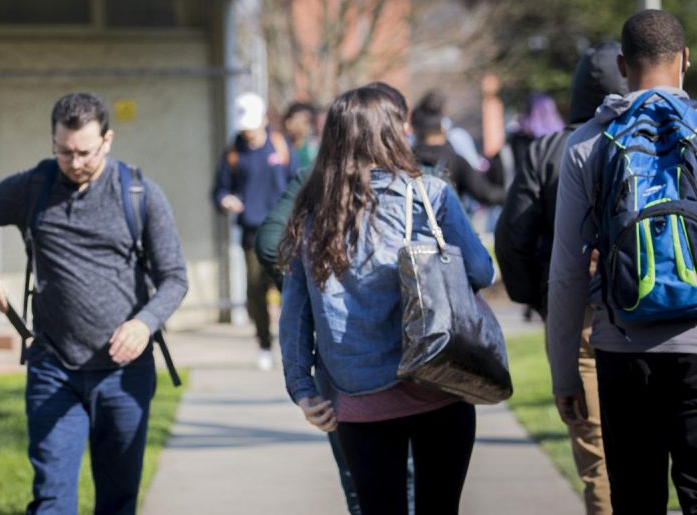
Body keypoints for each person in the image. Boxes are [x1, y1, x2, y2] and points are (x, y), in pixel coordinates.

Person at [0, 92, 188, 515]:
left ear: (107, 140)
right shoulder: (33, 188)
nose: (75, 163)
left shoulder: (139, 193)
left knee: (117, 501)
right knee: (51, 501)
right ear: (53, 142)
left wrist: (144, 323)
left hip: (124, 375)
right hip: (52, 369)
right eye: (64, 152)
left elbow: (174, 279)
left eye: (85, 152)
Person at [279, 85, 495, 514]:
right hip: (439, 383)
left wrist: (303, 390)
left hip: (359, 399)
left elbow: (295, 316)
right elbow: (481, 271)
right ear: (392, 132)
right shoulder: (430, 195)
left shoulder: (313, 214)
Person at [548, 10, 697, 512]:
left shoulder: (587, 143)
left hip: (621, 350)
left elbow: (567, 272)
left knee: (635, 498)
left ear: (621, 64)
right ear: (685, 59)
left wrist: (565, 373)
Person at [495, 41, 625, 515]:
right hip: (660, 310)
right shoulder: (656, 134)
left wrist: (538, 299)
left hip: (578, 313)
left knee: (599, 460)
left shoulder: (548, 149)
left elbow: (513, 237)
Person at [213, 91, 298, 370]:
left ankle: (295, 344)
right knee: (256, 290)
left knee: (291, 289)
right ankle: (264, 343)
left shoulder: (280, 146)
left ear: (263, 120)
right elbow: (219, 189)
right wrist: (226, 200)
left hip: (285, 233)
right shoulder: (234, 153)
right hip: (252, 234)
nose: (249, 134)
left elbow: (298, 185)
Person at [411, 104, 506, 207]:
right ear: (442, 130)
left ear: (415, 131)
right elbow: (485, 193)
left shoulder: (405, 160)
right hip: (448, 220)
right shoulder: (455, 159)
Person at [282, 101, 319, 170]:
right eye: (305, 122)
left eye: (309, 122)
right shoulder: (279, 147)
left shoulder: (313, 150)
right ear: (288, 123)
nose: (309, 126)